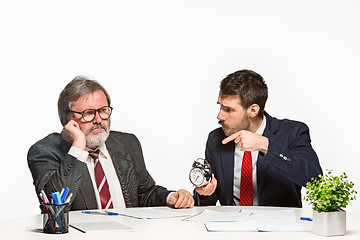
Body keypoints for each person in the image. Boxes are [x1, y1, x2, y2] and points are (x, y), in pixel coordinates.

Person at [28, 76, 194, 211]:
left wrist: (171, 197)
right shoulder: (45, 151)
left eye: (103, 111)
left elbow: (145, 193)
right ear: (67, 119)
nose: (98, 120)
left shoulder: (127, 143)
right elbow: (54, 206)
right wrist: (78, 145)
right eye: (89, 113)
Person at [194, 69, 322, 207]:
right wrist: (205, 192)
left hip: (280, 226)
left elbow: (314, 179)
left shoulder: (292, 132)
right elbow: (207, 201)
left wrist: (265, 145)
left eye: (228, 109)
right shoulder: (216, 138)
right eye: (220, 107)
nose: (219, 116)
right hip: (232, 226)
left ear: (253, 110)